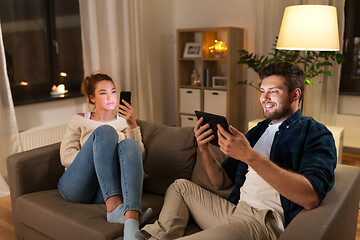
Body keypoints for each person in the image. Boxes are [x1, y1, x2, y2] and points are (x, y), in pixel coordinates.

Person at [141, 61, 337, 240]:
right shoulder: (257, 130)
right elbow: (220, 182)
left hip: (264, 222)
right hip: (234, 210)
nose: (264, 98)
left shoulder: (315, 133)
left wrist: (249, 156)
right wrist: (204, 148)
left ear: (296, 94)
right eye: (262, 91)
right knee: (180, 187)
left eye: (274, 91)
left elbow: (310, 197)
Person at [58, 73, 152, 240]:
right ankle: (115, 208)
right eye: (103, 93)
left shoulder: (124, 122)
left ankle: (131, 223)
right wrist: (101, 158)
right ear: (92, 98)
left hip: (105, 189)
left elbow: (139, 157)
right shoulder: (79, 120)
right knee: (105, 132)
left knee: (129, 145)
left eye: (113, 91)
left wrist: (132, 124)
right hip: (77, 185)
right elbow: (66, 156)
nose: (110, 97)